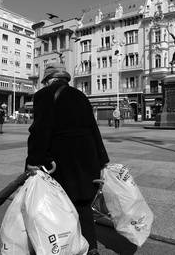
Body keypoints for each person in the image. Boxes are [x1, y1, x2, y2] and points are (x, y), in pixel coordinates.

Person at [26, 62, 109, 255]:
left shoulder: (44, 95)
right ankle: (91, 247)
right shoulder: (80, 95)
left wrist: (33, 160)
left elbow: (40, 130)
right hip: (87, 158)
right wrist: (102, 159)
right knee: (83, 204)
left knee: (60, 205)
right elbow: (93, 128)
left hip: (62, 160)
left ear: (49, 80)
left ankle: (64, 247)